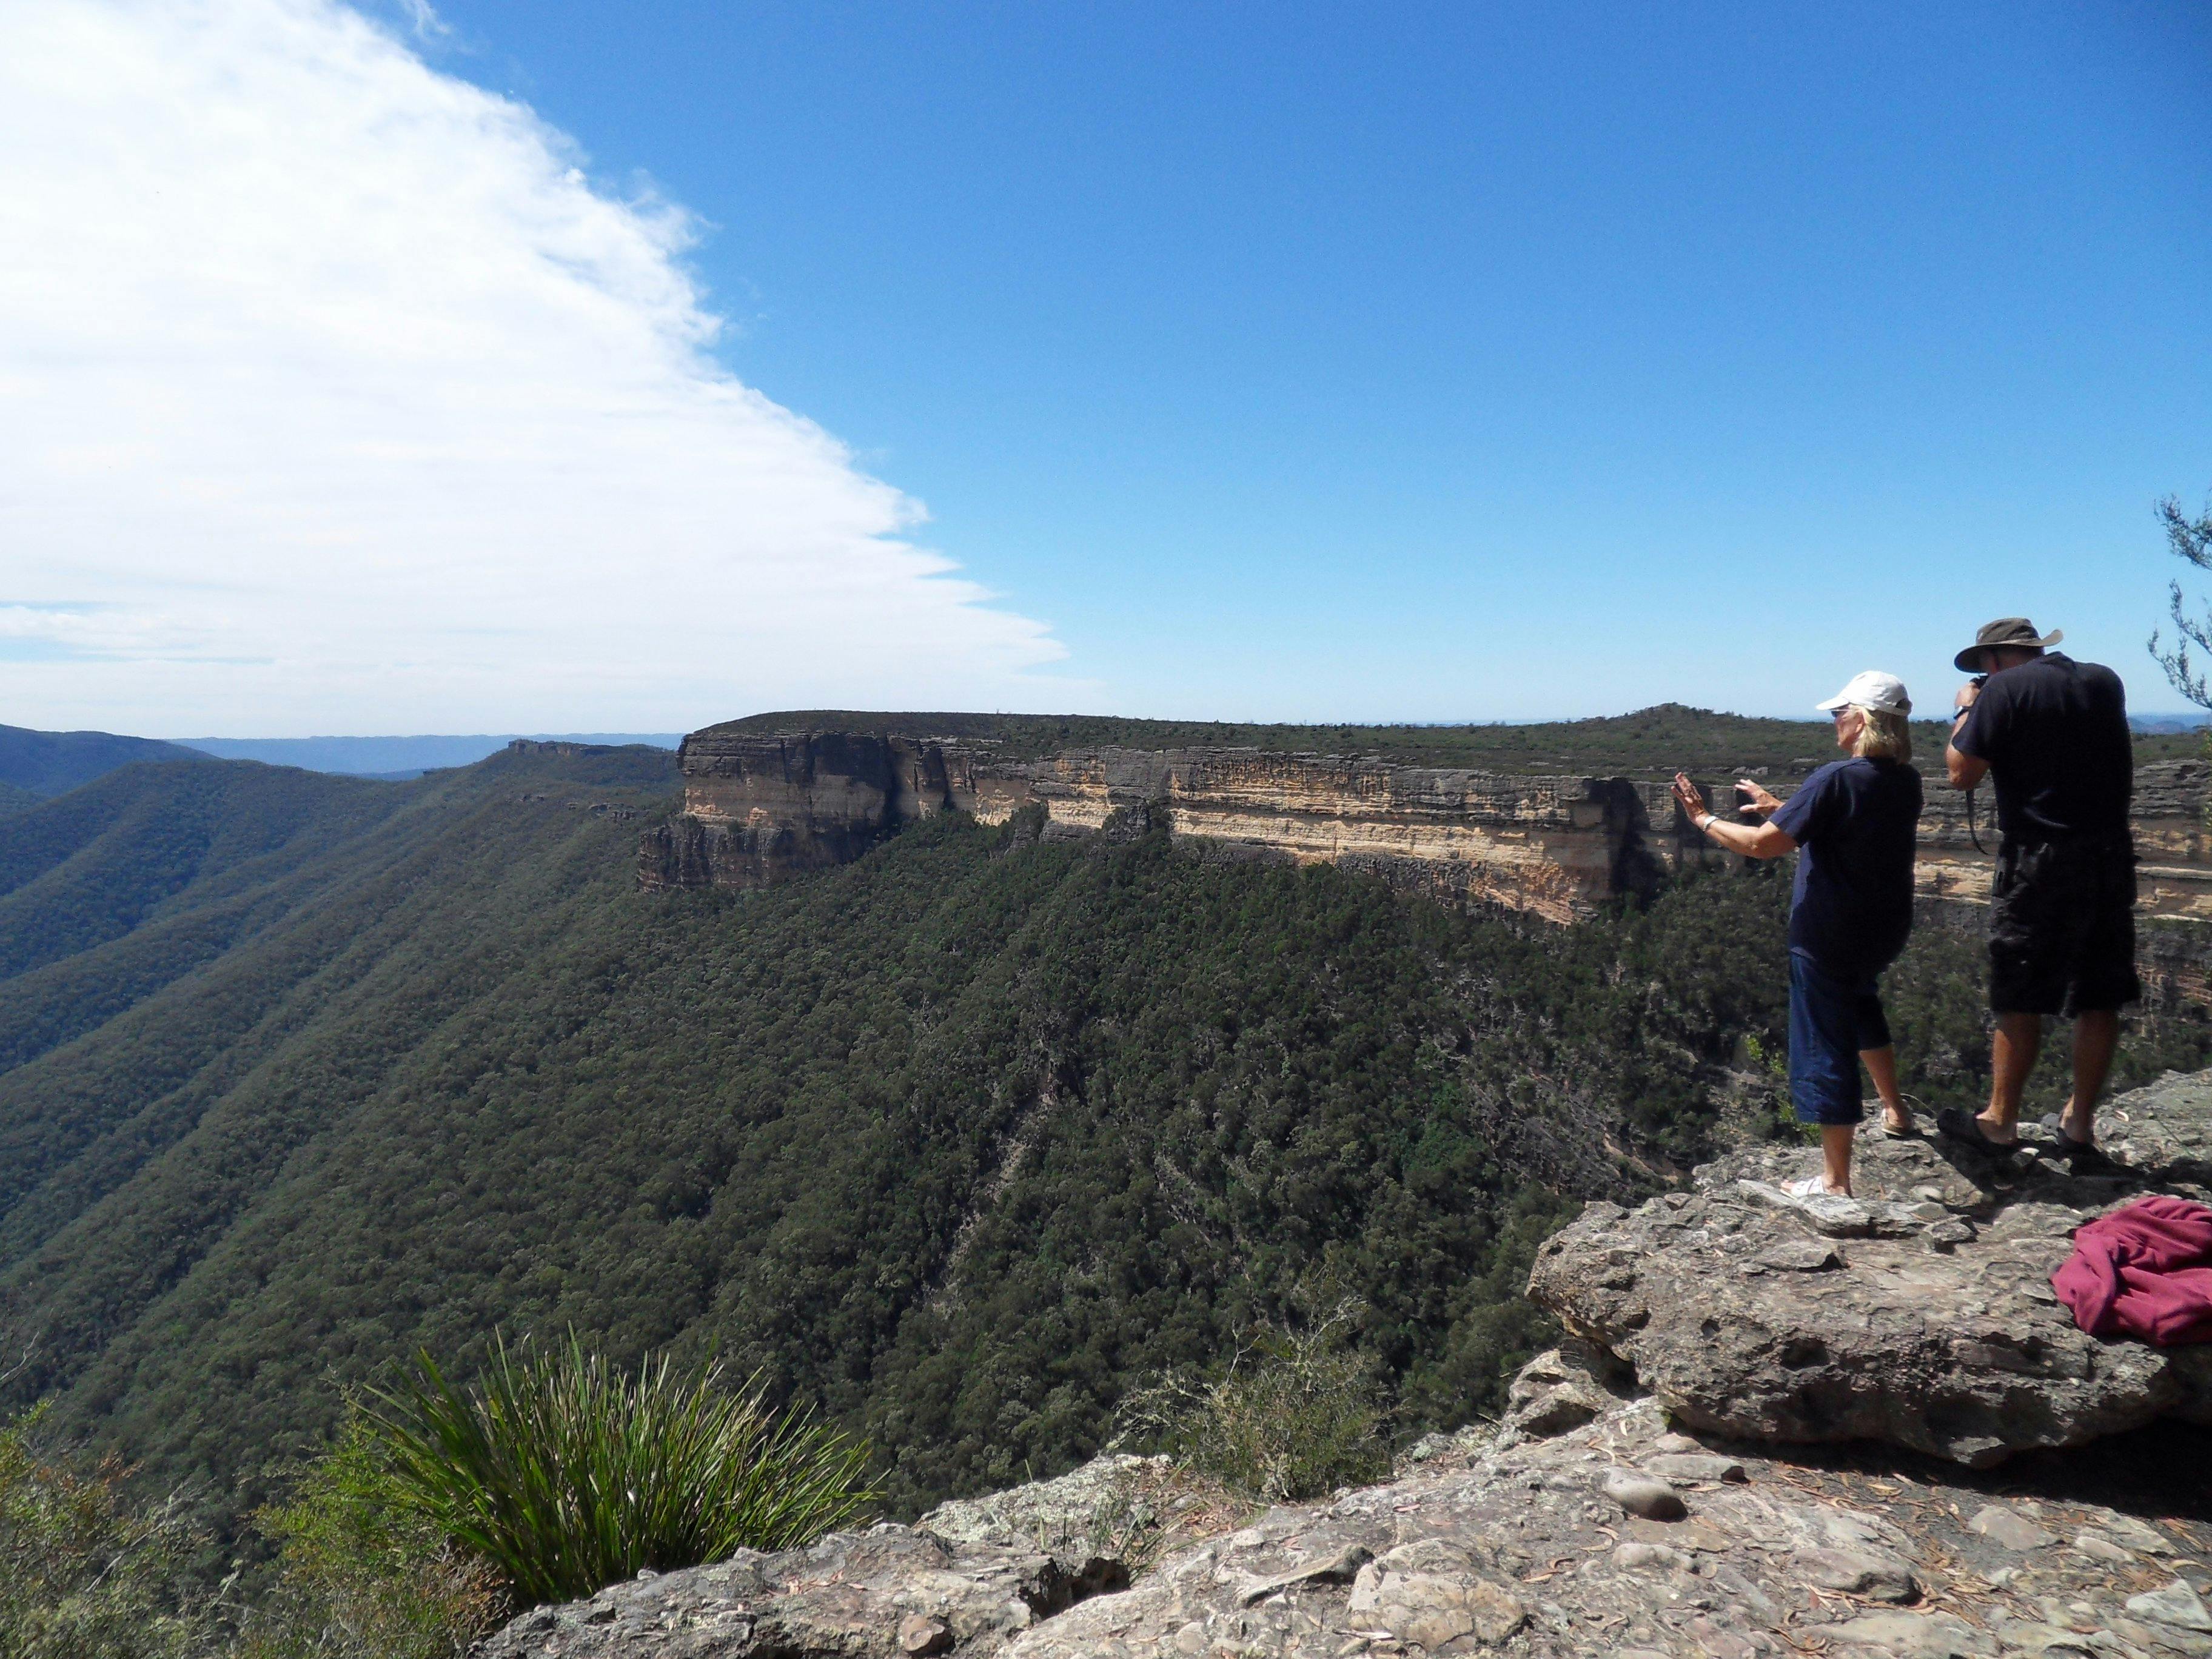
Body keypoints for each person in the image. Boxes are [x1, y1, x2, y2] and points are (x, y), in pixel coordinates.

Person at [1672, 671, 1924, 1198]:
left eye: (1840, 713)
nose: (1835, 721)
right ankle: (1896, 1112)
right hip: (1883, 927)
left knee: (1822, 1043)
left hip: (1828, 933)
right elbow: (1847, 828)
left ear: (1862, 720)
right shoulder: (1906, 780)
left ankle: (1835, 1182)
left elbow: (1762, 847)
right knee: (1861, 1005)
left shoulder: (1835, 777)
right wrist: (1784, 809)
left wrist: (1702, 820)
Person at [1940, 617, 2137, 1159]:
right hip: (2110, 853)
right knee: (2101, 992)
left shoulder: (2003, 689)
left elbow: (1962, 772)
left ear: (1997, 659)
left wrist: (1967, 708)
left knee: (2019, 988)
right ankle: (2079, 1126)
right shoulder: (2104, 681)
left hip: (2040, 859)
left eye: (1984, 665)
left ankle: (2000, 1122)